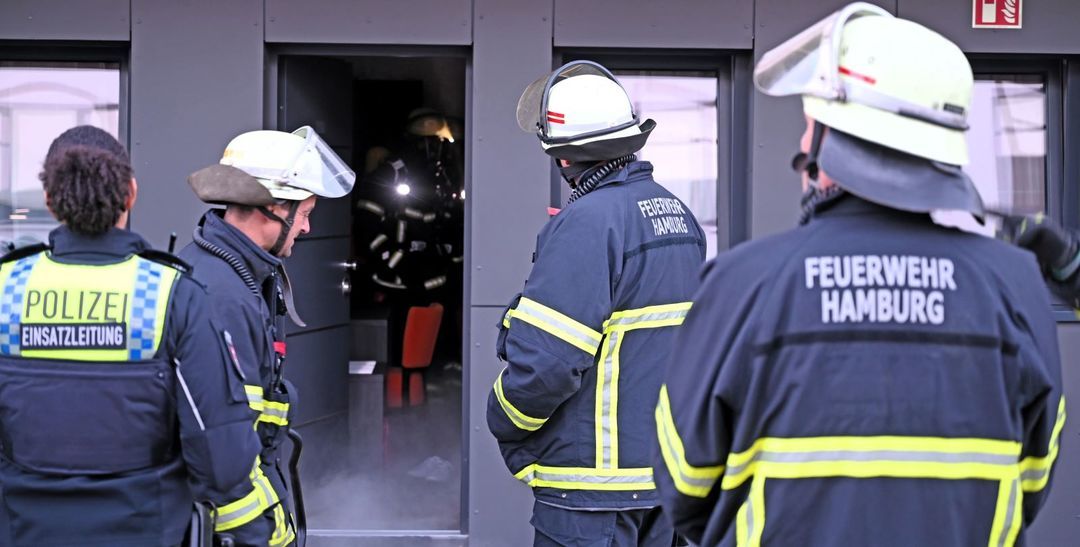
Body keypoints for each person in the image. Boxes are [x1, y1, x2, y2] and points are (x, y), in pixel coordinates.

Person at [653, 4, 1065, 546]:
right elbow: (1032, 479)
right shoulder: (1014, 283)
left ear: (832, 140)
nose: (802, 147)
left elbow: (684, 481)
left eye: (809, 128)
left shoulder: (742, 282)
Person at [0, 125, 261, 546]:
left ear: (49, 201)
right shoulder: (170, 296)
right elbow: (222, 460)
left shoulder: (6, 290)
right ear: (131, 193)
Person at [486, 61, 706, 546]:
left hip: (591, 496)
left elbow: (546, 366)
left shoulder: (589, 223)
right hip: (663, 486)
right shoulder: (677, 214)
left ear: (562, 157)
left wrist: (502, 420)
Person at [179, 126, 355, 546]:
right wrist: (266, 537)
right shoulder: (219, 294)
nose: (307, 229)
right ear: (274, 207)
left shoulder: (240, 273)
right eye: (306, 213)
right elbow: (221, 448)